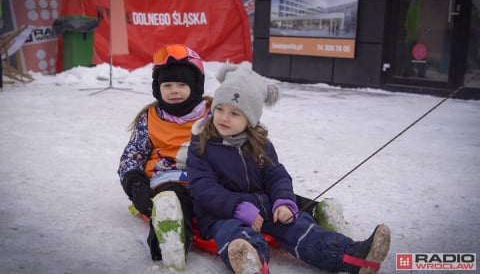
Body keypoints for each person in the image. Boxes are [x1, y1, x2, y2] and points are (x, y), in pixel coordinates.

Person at [117, 44, 343, 270]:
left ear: (195, 86)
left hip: (217, 177)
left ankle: (313, 210)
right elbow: (132, 155)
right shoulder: (149, 118)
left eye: (181, 85)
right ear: (157, 88)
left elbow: (246, 128)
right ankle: (171, 240)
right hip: (169, 181)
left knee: (260, 190)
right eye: (167, 85)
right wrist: (136, 185)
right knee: (176, 203)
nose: (174, 90)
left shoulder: (214, 109)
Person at [186, 64, 391, 274]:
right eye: (219, 109)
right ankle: (251, 263)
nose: (224, 117)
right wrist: (237, 207)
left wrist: (283, 201)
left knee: (300, 225)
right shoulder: (201, 144)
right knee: (233, 233)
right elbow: (203, 187)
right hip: (221, 214)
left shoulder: (260, 144)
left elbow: (276, 176)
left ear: (250, 118)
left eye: (234, 113)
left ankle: (353, 256)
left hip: (262, 207)